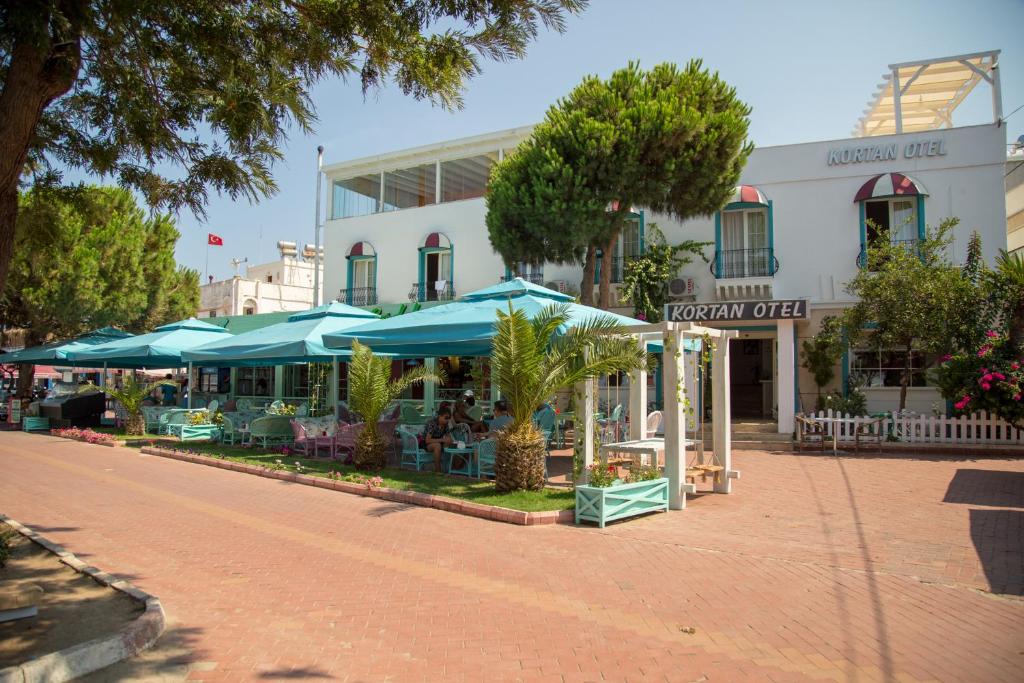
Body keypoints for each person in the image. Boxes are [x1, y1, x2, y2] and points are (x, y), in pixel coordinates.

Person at [422, 406, 454, 472]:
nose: (447, 420)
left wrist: (449, 440)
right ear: (440, 416)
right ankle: (438, 471)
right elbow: (427, 440)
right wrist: (443, 440)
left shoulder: (445, 424)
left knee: (451, 443)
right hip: (426, 444)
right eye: (446, 418)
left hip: (438, 443)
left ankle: (452, 468)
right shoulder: (432, 424)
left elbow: (448, 436)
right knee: (437, 446)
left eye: (449, 418)